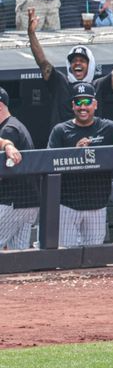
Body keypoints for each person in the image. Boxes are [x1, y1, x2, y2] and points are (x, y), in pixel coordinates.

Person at [47, 83, 113, 248]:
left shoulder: (107, 127)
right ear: (73, 106)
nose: (83, 107)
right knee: (66, 255)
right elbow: (48, 163)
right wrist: (74, 152)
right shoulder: (60, 130)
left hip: (97, 206)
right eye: (78, 102)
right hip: (68, 205)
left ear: (95, 104)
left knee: (94, 256)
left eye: (87, 102)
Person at [26, 8, 113, 128]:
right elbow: (42, 62)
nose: (77, 64)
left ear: (90, 65)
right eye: (74, 61)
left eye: (82, 61)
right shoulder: (59, 82)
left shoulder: (98, 86)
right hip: (63, 146)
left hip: (92, 146)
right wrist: (31, 34)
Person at [0, 87, 39, 250]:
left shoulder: (9, 129)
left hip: (13, 203)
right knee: (18, 255)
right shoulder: (14, 125)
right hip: (27, 203)